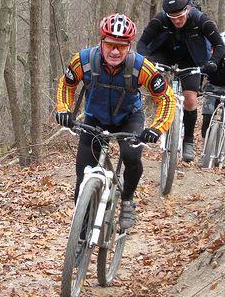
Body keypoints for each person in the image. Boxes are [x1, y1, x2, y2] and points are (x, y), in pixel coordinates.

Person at [55, 13, 175, 230]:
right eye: (110, 44)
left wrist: (157, 128)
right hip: (95, 119)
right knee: (82, 181)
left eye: (121, 46)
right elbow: (67, 85)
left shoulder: (142, 66)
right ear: (101, 41)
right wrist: (63, 109)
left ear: (129, 46)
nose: (115, 51)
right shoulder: (83, 60)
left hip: (128, 119)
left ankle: (127, 200)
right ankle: (81, 238)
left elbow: (166, 97)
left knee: (131, 156)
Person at [136, 0, 225, 162]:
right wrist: (146, 59)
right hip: (165, 54)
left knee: (190, 98)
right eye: (172, 17)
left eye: (180, 16)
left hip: (191, 58)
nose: (177, 21)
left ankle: (188, 141)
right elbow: (142, 43)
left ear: (188, 9)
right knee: (149, 80)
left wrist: (212, 62)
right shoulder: (160, 20)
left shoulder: (201, 20)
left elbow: (219, 45)